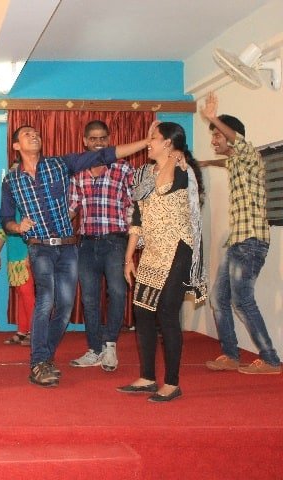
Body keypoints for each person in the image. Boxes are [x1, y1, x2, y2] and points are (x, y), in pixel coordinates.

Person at [0, 123, 155, 388]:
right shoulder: (11, 180)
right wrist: (17, 226)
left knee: (65, 307)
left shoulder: (60, 164)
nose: (34, 136)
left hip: (69, 248)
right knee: (45, 300)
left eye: (36, 133)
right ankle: (38, 362)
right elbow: (5, 219)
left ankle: (45, 358)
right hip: (39, 248)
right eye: (27, 134)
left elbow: (105, 155)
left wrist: (145, 141)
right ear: (16, 146)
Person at [117, 122, 206, 402]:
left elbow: (163, 187)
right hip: (152, 252)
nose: (148, 143)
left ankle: (172, 383)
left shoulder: (182, 169)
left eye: (153, 139)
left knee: (167, 312)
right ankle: (147, 377)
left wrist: (174, 156)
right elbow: (137, 218)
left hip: (178, 249)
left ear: (168, 142)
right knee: (142, 311)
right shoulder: (143, 173)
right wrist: (128, 257)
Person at [199, 92, 281, 375]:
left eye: (217, 136)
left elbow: (239, 144)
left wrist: (213, 117)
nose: (213, 141)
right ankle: (231, 355)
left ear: (231, 136)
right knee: (218, 299)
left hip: (251, 242)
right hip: (237, 242)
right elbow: (228, 161)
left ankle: (270, 360)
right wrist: (208, 163)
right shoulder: (235, 162)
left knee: (242, 300)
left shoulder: (250, 155)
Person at [68, 120, 134, 372]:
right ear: (85, 141)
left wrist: (136, 239)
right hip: (86, 244)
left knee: (117, 292)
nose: (98, 143)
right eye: (93, 139)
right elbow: (72, 208)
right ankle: (94, 349)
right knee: (89, 298)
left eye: (103, 138)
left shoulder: (123, 167)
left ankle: (110, 346)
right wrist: (51, 225)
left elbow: (133, 204)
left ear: (109, 140)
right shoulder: (78, 172)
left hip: (115, 241)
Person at [0, 225, 32, 346]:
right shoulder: (6, 213)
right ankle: (22, 331)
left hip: (26, 258)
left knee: (28, 295)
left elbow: (35, 234)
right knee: (21, 294)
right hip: (13, 258)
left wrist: (31, 254)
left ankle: (34, 332)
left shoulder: (26, 212)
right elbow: (2, 232)